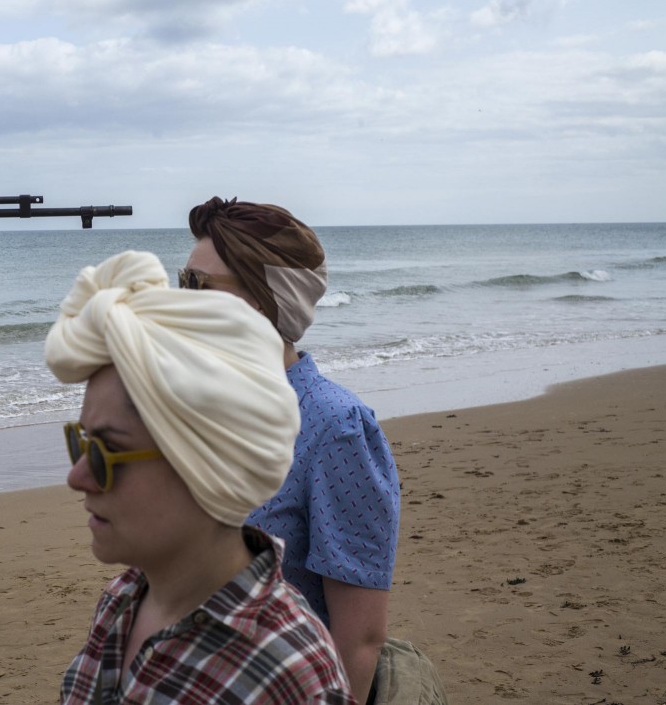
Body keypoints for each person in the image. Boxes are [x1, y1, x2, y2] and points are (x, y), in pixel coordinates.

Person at [45, 250, 356, 705]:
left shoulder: (289, 674)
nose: (76, 477)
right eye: (83, 442)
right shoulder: (123, 600)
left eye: (107, 451)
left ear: (206, 466)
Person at [182, 198, 400, 705]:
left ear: (261, 300)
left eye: (198, 285)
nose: (180, 300)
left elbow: (360, 638)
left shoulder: (335, 427)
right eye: (181, 281)